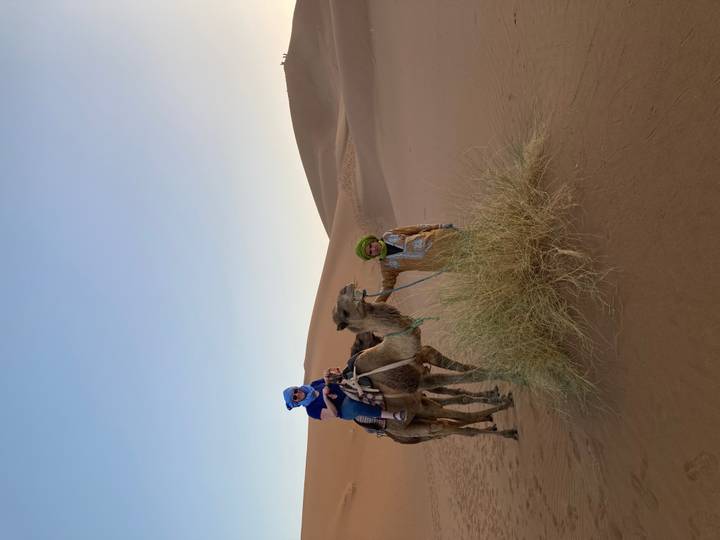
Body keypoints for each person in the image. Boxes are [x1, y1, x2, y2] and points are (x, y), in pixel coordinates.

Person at [355, 223, 458, 302]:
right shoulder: (387, 266)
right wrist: (375, 304)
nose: (373, 249)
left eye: (370, 246)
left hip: (439, 238)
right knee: (466, 262)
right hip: (439, 262)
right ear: (372, 256)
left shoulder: (389, 235)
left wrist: (440, 226)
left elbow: (416, 228)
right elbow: (387, 286)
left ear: (372, 240)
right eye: (370, 252)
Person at [283, 368, 406, 422]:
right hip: (343, 408)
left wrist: (328, 374)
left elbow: (328, 381)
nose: (297, 394)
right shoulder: (311, 410)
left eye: (295, 391)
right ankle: (393, 416)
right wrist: (325, 397)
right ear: (296, 403)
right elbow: (334, 414)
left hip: (344, 388)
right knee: (354, 406)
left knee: (354, 367)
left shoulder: (313, 385)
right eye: (294, 398)